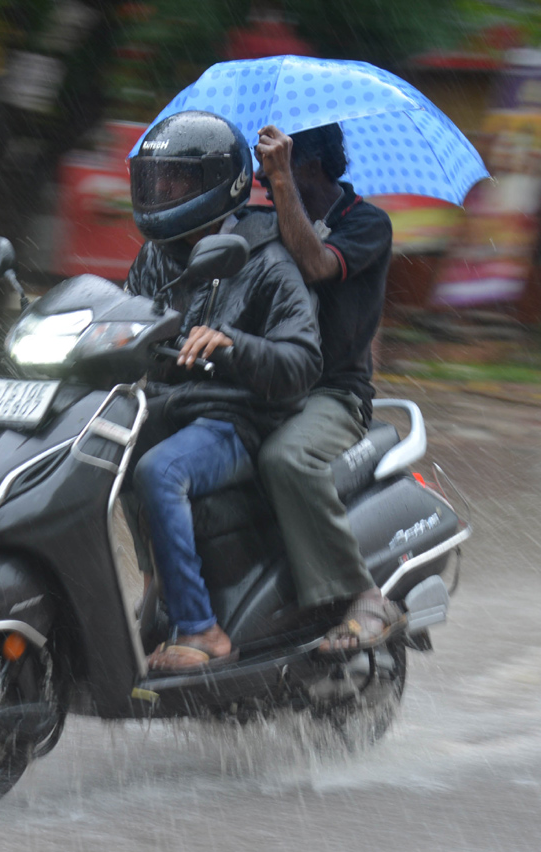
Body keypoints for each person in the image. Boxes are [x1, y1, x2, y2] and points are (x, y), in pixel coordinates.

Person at [124, 111, 321, 672]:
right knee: (106, 451)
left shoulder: (266, 258)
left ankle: (200, 628)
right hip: (169, 413)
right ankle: (156, 589)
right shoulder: (154, 260)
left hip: (234, 421)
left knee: (159, 472)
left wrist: (232, 344)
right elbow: (117, 325)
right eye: (156, 180)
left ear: (220, 184)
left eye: (178, 182)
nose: (162, 193)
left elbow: (302, 362)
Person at [252, 122, 401, 654]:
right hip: (270, 382)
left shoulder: (367, 224)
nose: (265, 185)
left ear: (308, 165)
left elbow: (316, 264)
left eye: (276, 172)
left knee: (286, 459)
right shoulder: (270, 221)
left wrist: (282, 184)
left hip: (333, 394)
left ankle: (363, 595)